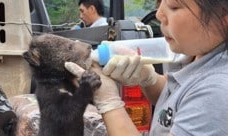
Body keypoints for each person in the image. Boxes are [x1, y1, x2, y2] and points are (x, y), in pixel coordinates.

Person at [65, 0, 228, 136]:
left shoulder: (216, 93)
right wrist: (149, 79)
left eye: (174, 6)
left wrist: (109, 102)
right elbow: (176, 101)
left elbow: (200, 98)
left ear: (223, 16)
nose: (159, 14)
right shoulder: (193, 53)